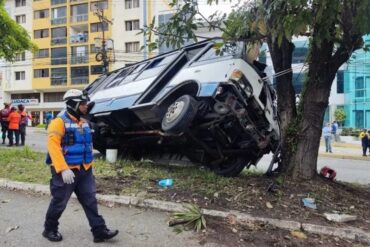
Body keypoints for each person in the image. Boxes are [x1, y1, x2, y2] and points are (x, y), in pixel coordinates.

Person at [42, 89, 118, 243]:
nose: (86, 106)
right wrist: (63, 169)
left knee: (90, 200)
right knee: (59, 202)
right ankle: (49, 229)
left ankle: (99, 231)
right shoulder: (58, 122)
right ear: (73, 104)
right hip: (66, 171)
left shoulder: (84, 122)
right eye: (82, 104)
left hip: (85, 169)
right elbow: (53, 147)